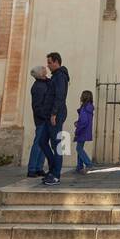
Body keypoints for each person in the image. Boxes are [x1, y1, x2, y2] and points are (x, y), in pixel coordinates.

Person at [42, 52, 70, 185]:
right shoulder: (55, 76)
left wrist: (54, 114)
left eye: (49, 62)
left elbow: (59, 96)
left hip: (56, 115)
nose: (47, 65)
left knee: (57, 145)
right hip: (49, 115)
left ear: (56, 62)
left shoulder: (60, 77)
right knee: (42, 142)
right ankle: (53, 169)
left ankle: (56, 174)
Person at [27, 66, 51, 178]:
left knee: (43, 144)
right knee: (38, 144)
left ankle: (39, 168)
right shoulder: (38, 87)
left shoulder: (45, 83)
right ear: (40, 74)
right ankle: (32, 168)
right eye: (43, 69)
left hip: (45, 118)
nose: (45, 69)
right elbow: (37, 106)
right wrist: (45, 116)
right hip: (42, 120)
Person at [73, 90, 95, 174]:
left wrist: (78, 127)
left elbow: (84, 121)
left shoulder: (84, 108)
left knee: (78, 149)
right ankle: (79, 167)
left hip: (82, 130)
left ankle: (88, 164)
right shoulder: (89, 107)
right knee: (80, 148)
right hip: (85, 130)